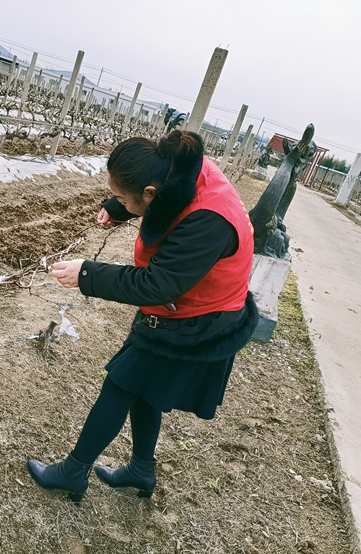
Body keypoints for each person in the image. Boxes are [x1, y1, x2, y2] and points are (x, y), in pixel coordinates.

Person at [26, 128, 259, 503]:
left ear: (149, 193)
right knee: (143, 390)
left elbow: (157, 284)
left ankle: (73, 472)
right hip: (186, 309)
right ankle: (141, 469)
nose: (117, 200)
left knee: (120, 385)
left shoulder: (209, 220)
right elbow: (164, 198)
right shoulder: (180, 169)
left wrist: (86, 274)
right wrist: (119, 208)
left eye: (122, 196)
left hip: (200, 322)